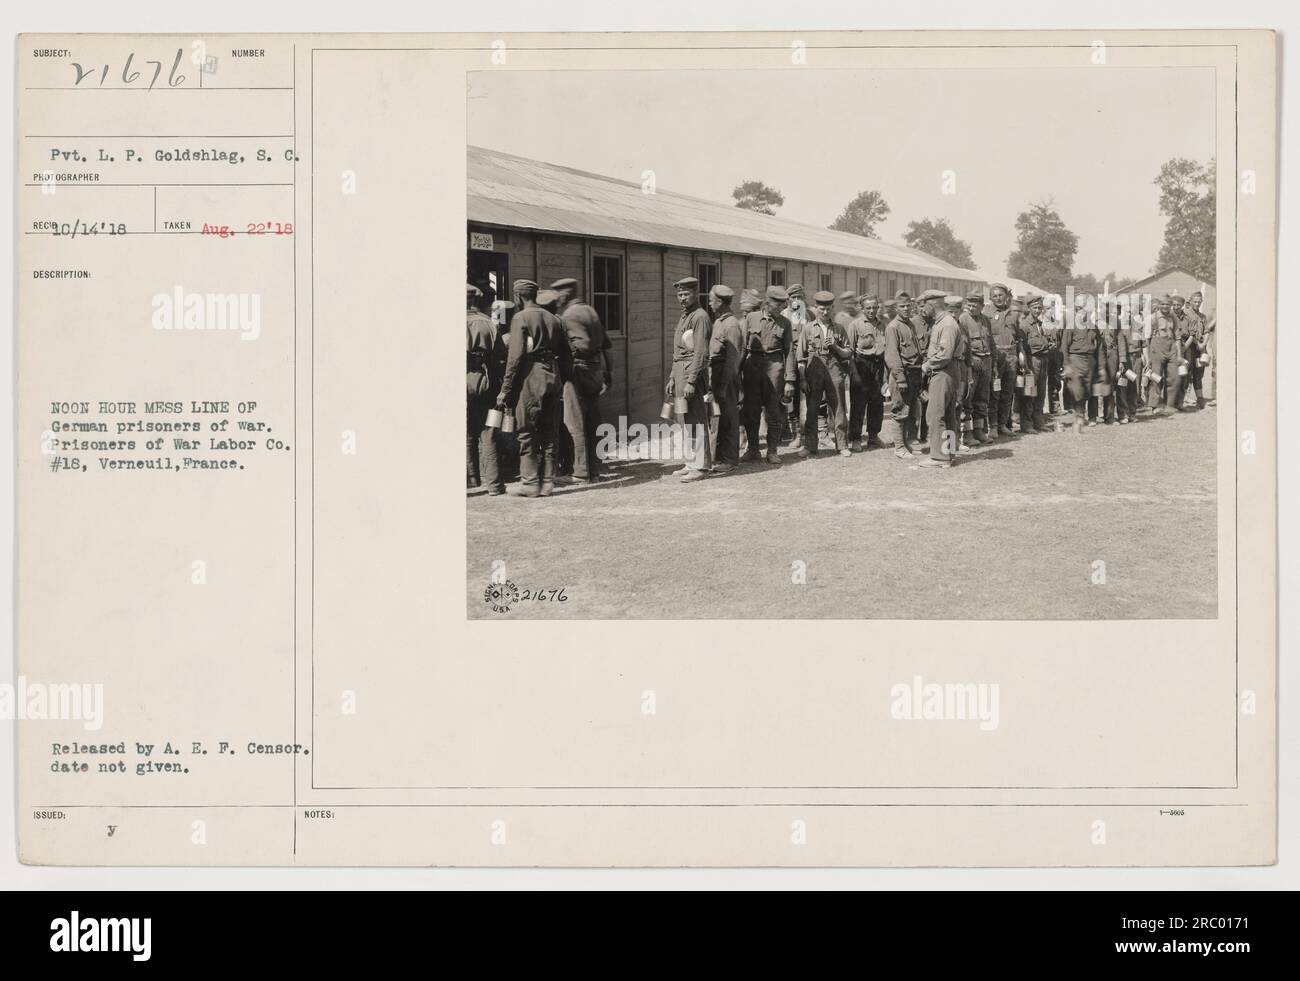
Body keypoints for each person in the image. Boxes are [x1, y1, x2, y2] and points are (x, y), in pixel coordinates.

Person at [497, 279, 569, 496]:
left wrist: (506, 388)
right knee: (550, 431)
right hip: (552, 375)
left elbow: (516, 356)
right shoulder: (555, 319)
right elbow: (566, 355)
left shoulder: (521, 317)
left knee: (526, 431)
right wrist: (562, 380)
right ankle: (547, 482)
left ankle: (530, 484)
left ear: (518, 296)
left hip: (530, 377)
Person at [551, 277, 612, 485]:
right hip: (595, 370)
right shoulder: (590, 311)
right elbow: (605, 344)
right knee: (593, 421)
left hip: (576, 370)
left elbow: (582, 345)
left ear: (566, 294)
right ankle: (594, 470)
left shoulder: (568, 315)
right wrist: (607, 372)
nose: (556, 298)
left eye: (558, 293)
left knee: (574, 422)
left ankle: (580, 472)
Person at [741, 285, 796, 465]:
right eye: (777, 305)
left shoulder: (785, 323)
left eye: (783, 306)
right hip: (752, 366)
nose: (781, 309)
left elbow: (789, 352)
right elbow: (742, 348)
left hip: (775, 368)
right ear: (767, 302)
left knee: (773, 412)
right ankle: (753, 449)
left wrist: (789, 380)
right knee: (751, 411)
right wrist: (737, 372)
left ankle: (772, 451)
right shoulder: (751, 318)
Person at [667, 276, 713, 482]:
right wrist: (671, 378)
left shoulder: (700, 317)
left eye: (686, 294)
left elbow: (701, 353)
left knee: (696, 419)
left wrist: (692, 381)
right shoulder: (685, 316)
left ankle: (701, 466)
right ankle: (690, 461)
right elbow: (678, 351)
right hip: (679, 373)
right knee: (684, 419)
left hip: (690, 374)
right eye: (679, 294)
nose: (682, 298)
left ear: (696, 294)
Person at [796, 290, 852, 457]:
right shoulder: (807, 329)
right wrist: (803, 379)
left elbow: (848, 353)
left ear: (832, 308)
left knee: (839, 408)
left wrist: (836, 346)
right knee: (812, 409)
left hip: (834, 369)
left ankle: (842, 445)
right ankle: (810, 446)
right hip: (814, 370)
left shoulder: (839, 329)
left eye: (828, 309)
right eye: (821, 309)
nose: (825, 312)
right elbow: (801, 357)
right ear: (815, 308)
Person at [918, 295, 966, 468]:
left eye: (924, 305)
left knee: (935, 414)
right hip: (949, 370)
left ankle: (938, 457)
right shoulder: (944, 322)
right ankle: (949, 453)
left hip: (943, 371)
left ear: (933, 304)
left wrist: (927, 365)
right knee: (948, 415)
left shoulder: (946, 324)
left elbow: (945, 354)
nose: (922, 309)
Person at [466, 284, 504, 494]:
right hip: (486, 381)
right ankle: (494, 484)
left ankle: (472, 479)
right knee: (488, 431)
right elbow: (500, 357)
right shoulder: (488, 322)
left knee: (466, 431)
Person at [706, 284, 744, 472]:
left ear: (720, 302)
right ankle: (719, 457)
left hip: (726, 379)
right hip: (717, 376)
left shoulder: (731, 325)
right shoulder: (719, 321)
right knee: (717, 417)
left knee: (729, 417)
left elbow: (732, 360)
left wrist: (722, 385)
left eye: (711, 300)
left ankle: (730, 459)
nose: (709, 303)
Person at [884, 292, 924, 459]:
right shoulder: (893, 327)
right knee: (899, 410)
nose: (906, 308)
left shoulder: (910, 324)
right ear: (896, 308)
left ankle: (906, 443)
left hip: (914, 373)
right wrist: (900, 378)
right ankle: (899, 447)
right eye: (902, 306)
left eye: (908, 305)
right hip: (902, 374)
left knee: (911, 410)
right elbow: (892, 356)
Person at [846, 293, 887, 451]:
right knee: (858, 404)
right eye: (868, 308)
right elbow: (849, 352)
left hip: (878, 366)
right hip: (861, 366)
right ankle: (856, 438)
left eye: (874, 307)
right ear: (862, 308)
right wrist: (854, 373)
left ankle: (873, 436)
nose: (872, 310)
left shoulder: (882, 325)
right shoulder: (855, 325)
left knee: (877, 403)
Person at [1058, 296, 1100, 435]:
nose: (1083, 312)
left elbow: (1098, 347)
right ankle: (1079, 415)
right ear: (1076, 309)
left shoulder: (1093, 327)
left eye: (1086, 309)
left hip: (1090, 360)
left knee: (1087, 390)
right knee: (1077, 390)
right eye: (1080, 308)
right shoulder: (1071, 325)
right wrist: (1066, 365)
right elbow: (1064, 347)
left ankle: (1083, 415)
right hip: (1075, 359)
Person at [958, 290, 995, 444]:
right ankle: (967, 435)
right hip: (972, 363)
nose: (971, 308)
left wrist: (994, 364)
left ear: (981, 305)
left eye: (975, 305)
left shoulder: (986, 320)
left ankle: (979, 432)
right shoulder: (963, 320)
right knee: (967, 399)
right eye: (969, 304)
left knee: (982, 398)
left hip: (986, 362)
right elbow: (962, 345)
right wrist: (971, 361)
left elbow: (991, 344)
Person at [781, 284, 814, 445]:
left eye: (799, 297)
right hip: (789, 358)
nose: (796, 301)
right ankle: (795, 434)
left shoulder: (809, 315)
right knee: (790, 397)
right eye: (793, 298)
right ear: (788, 300)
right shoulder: (783, 316)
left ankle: (814, 433)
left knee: (812, 395)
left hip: (808, 359)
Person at [988, 283, 1021, 437]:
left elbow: (1018, 339)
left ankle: (1002, 425)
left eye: (1000, 295)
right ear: (990, 298)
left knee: (1008, 392)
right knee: (995, 392)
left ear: (1006, 296)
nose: (998, 298)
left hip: (1011, 356)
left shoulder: (1013, 315)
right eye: (994, 296)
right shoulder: (986, 314)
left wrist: (1020, 359)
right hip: (996, 357)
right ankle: (993, 426)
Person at [1018, 295, 1051, 433]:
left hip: (1043, 361)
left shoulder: (1040, 324)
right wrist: (1025, 366)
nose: (1037, 310)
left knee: (1041, 393)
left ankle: (1039, 422)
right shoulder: (1024, 325)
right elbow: (1022, 348)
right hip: (1032, 362)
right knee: (1030, 393)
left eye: (1039, 308)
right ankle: (1027, 424)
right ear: (1029, 308)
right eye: (1034, 307)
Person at [1145, 295, 1182, 415]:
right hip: (1157, 348)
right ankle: (1153, 405)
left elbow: (1177, 338)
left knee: (1174, 377)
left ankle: (1169, 404)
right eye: (1163, 304)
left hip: (1171, 348)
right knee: (1156, 377)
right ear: (1159, 305)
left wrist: (1179, 356)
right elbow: (1147, 339)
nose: (1165, 306)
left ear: (1170, 305)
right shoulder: (1152, 318)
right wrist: (1149, 356)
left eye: (1167, 304)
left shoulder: (1173, 317)